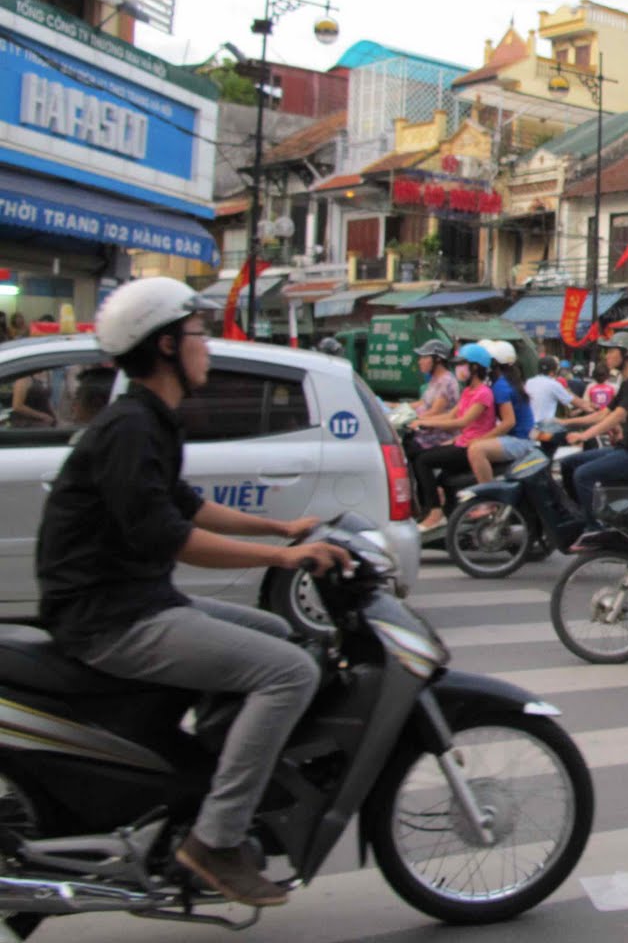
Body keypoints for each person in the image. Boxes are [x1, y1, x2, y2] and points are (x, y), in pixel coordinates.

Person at [34, 277, 343, 907]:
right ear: (169, 345)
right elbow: (174, 536)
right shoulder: (131, 428)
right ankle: (215, 839)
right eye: (199, 333)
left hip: (135, 600)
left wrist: (282, 525)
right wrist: (284, 556)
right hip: (112, 618)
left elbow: (188, 506)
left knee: (280, 635)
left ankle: (201, 781)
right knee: (288, 672)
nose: (208, 344)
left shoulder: (148, 421)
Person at [560, 332, 628, 518]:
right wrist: (565, 422)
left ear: (626, 355)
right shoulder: (627, 382)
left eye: (611, 351)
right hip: (626, 448)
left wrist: (584, 436)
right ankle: (577, 515)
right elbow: (603, 413)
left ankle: (595, 526)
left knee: (582, 475)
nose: (606, 356)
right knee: (568, 464)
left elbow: (618, 415)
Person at [411, 344, 497, 530]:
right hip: (461, 442)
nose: (458, 369)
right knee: (436, 471)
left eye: (462, 365)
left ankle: (435, 513)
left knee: (423, 460)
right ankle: (446, 513)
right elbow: (451, 416)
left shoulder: (483, 393)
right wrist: (420, 420)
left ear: (474, 367)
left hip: (470, 447)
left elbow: (462, 422)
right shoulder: (468, 391)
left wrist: (427, 423)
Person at [465, 341, 537, 482]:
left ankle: (488, 495)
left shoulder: (500, 386)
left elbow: (509, 422)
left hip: (520, 440)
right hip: (520, 437)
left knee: (476, 450)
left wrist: (480, 439)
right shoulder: (504, 381)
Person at [526, 355, 589, 424]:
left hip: (529, 424)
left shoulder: (529, 382)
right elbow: (576, 402)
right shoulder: (554, 384)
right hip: (545, 426)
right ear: (554, 371)